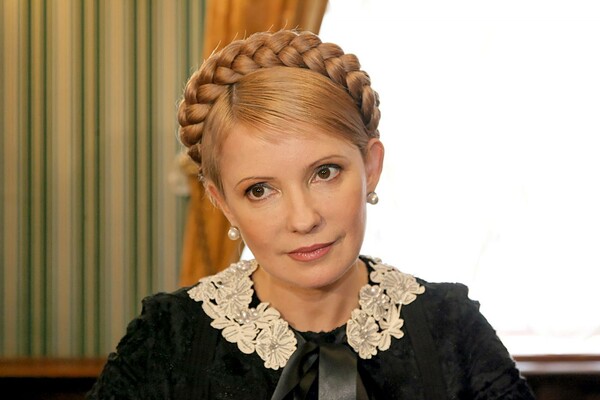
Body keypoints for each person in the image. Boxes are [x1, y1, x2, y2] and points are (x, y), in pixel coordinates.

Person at [86, 29, 536, 399]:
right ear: (222, 202)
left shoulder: (452, 328)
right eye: (260, 190)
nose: (303, 220)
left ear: (371, 167)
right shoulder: (166, 337)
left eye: (324, 172)